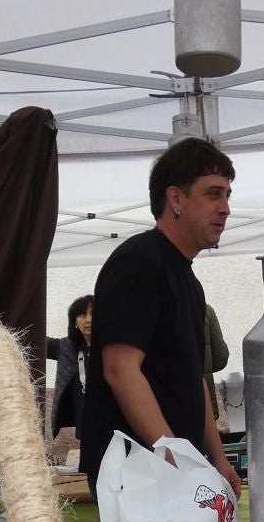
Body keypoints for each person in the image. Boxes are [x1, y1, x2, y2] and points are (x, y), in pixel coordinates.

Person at [79, 136, 241, 500]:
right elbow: (120, 370)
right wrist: (171, 454)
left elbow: (193, 375)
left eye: (228, 195)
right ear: (176, 199)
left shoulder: (187, 279)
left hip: (171, 470)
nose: (226, 207)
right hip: (136, 474)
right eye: (213, 194)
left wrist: (216, 456)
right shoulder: (138, 262)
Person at [46, 294, 91, 438]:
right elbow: (35, 340)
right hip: (84, 421)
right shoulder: (66, 347)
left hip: (110, 421)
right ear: (75, 322)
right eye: (82, 315)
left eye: (94, 314)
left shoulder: (112, 348)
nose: (88, 320)